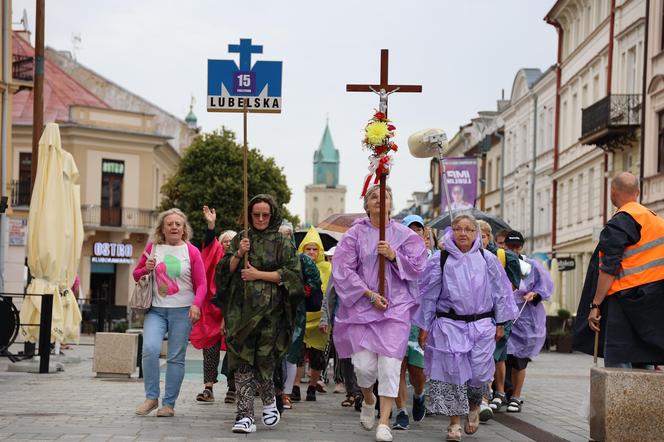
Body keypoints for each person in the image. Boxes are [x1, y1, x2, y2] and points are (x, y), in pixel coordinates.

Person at [333, 185, 428, 442]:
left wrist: (395, 256)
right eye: (374, 196)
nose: (380, 200)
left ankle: (384, 421)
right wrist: (368, 294)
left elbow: (420, 264)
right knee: (363, 368)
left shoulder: (404, 234)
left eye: (385, 195)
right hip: (363, 309)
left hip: (395, 310)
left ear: (391, 203)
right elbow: (342, 269)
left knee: (389, 367)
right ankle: (368, 398)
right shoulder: (354, 235)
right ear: (367, 204)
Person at [414, 214, 516, 442]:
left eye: (469, 229)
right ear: (451, 232)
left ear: (476, 234)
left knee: (479, 374)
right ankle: (454, 424)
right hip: (449, 324)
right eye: (458, 229)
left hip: (482, 325)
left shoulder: (487, 259)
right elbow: (429, 296)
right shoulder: (440, 259)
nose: (463, 233)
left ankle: (474, 406)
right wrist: (424, 326)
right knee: (453, 374)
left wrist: (501, 322)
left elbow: (500, 293)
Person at [214, 194, 304, 434]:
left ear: (272, 214)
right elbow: (222, 273)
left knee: (264, 360)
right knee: (242, 361)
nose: (261, 219)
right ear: (250, 215)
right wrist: (237, 255)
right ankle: (244, 416)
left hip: (271, 313)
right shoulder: (242, 239)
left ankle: (269, 400)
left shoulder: (283, 242)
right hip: (240, 312)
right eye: (256, 215)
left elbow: (293, 276)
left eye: (266, 214)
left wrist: (259, 275)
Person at [579, 172, 664, 368]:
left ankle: (620, 400)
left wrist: (595, 305)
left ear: (613, 193)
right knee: (644, 359)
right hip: (653, 301)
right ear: (638, 192)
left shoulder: (621, 220)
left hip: (626, 299)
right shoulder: (656, 221)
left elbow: (609, 267)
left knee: (619, 362)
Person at [133, 208, 206, 417]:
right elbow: (136, 275)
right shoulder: (152, 248)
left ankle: (169, 404)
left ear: (183, 230)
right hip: (155, 310)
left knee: (175, 358)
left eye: (178, 224)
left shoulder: (191, 252)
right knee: (149, 349)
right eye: (169, 224)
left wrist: (196, 305)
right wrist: (145, 269)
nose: (174, 227)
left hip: (182, 311)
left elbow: (202, 284)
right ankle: (151, 397)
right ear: (162, 229)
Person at [503, 230, 553, 412]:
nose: (514, 250)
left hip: (525, 322)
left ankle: (516, 396)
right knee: (501, 359)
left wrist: (535, 294)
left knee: (519, 360)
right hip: (503, 319)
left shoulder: (532, 266)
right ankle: (500, 393)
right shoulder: (498, 263)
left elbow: (545, 287)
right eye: (510, 246)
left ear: (522, 247)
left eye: (517, 246)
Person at [476, 221, 521, 416]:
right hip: (479, 313)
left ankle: (485, 398)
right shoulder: (467, 256)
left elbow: (513, 286)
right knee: (498, 356)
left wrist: (492, 294)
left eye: (482, 236)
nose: (478, 240)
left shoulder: (505, 256)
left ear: (489, 237)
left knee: (491, 353)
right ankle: (499, 392)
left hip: (500, 313)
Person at [392, 214, 428, 431]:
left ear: (424, 233)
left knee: (416, 370)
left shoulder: (432, 258)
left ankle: (420, 394)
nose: (414, 232)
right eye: (409, 229)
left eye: (418, 228)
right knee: (397, 366)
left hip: (420, 319)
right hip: (396, 317)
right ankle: (401, 412)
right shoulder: (392, 256)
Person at [282, 224, 324, 409]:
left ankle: (286, 393)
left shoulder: (302, 261)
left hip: (295, 313)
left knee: (292, 353)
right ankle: (273, 391)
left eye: (287, 235)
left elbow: (315, 283)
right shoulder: (267, 257)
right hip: (270, 311)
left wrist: (300, 292)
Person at [191, 206, 230, 404]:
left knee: (235, 350)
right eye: (225, 241)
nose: (228, 244)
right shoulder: (215, 253)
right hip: (212, 310)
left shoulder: (241, 261)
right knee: (210, 350)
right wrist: (211, 224)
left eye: (233, 242)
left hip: (232, 311)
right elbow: (209, 243)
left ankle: (233, 387)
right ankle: (208, 387)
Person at [295, 226, 331, 402]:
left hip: (319, 318)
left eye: (314, 249)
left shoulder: (327, 268)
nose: (311, 252)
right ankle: (294, 386)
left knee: (317, 356)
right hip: (301, 317)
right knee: (298, 354)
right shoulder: (296, 265)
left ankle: (312, 387)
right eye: (308, 248)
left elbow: (330, 293)